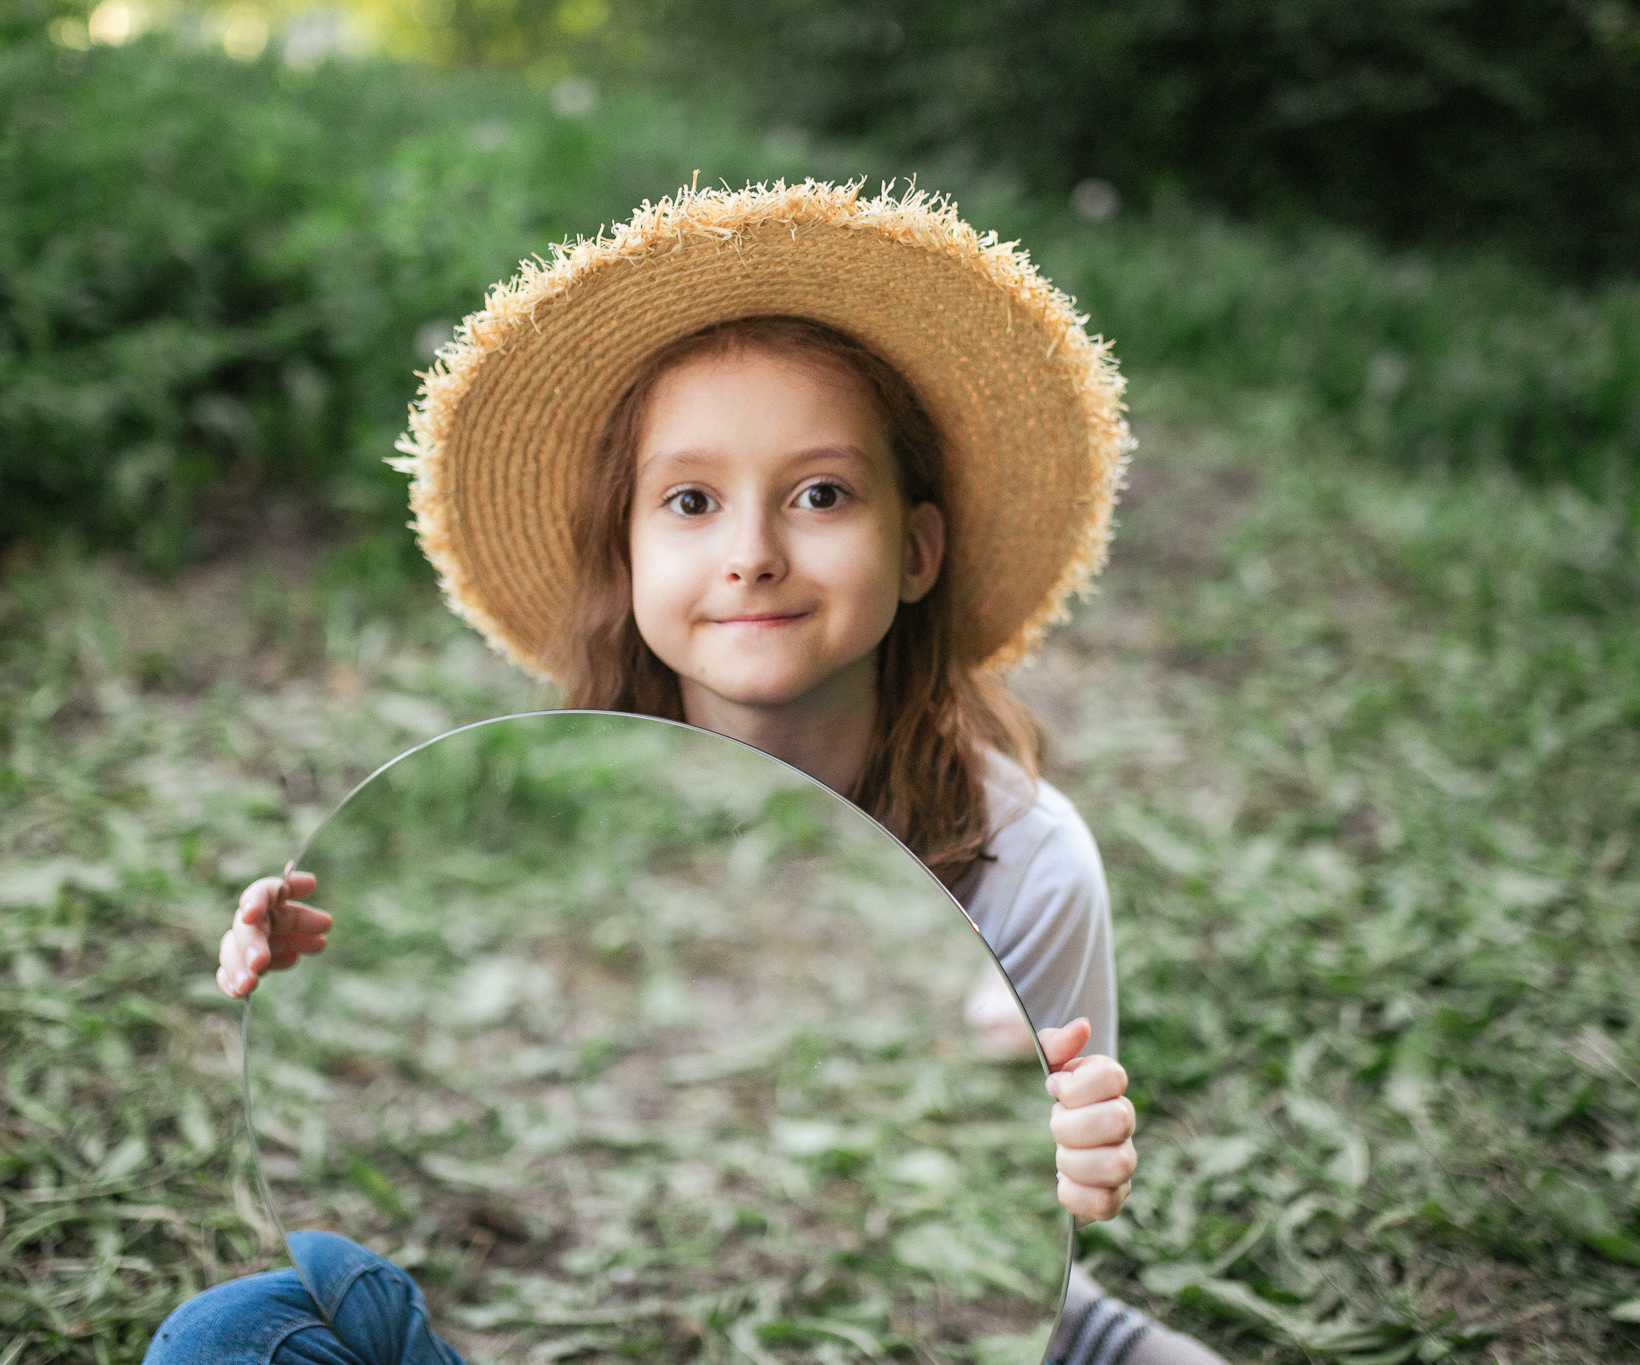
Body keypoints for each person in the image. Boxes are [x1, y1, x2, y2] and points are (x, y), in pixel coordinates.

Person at [161, 182, 1223, 1365]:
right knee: (232, 1336)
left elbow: (984, 1220)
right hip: (611, 1288)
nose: (751, 553)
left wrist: (1065, 1158)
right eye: (689, 501)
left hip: (885, 1307)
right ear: (625, 551)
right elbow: (480, 1110)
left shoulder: (1027, 859)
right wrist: (310, 970)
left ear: (916, 550)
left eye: (820, 494)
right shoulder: (545, 805)